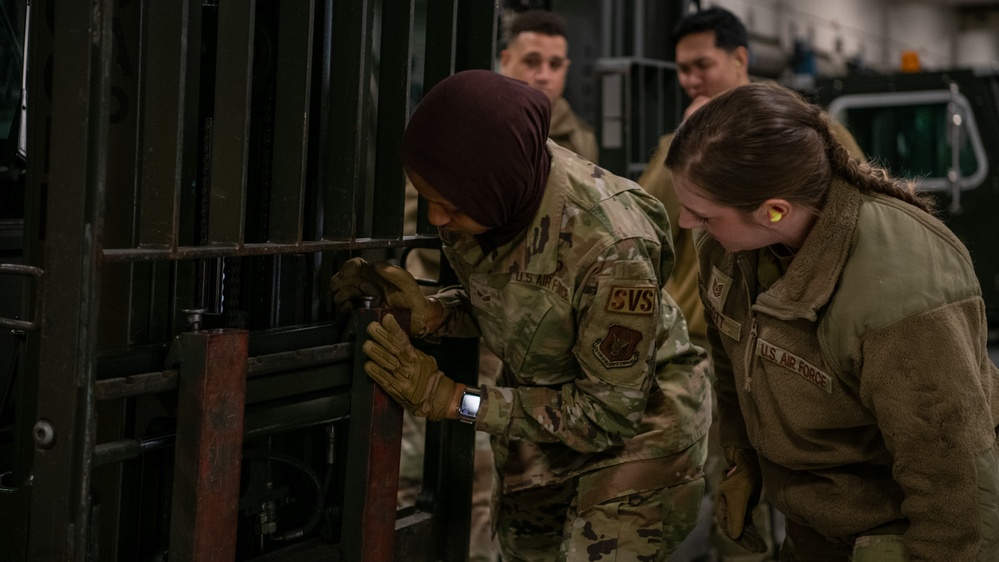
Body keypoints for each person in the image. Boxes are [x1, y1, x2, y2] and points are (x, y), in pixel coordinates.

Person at [332, 69, 712, 561]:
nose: (436, 220)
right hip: (544, 419)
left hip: (638, 434)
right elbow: (520, 307)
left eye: (448, 206)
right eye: (426, 200)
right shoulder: (491, 199)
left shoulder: (610, 247)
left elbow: (609, 416)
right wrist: (432, 312)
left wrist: (453, 400)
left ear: (499, 188)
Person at [664, 81, 999, 562]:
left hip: (898, 536)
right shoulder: (730, 249)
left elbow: (954, 476)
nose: (685, 224)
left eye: (703, 214)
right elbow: (731, 362)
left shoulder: (900, 288)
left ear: (774, 210)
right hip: (812, 528)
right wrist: (743, 462)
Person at [639, 8, 866, 561]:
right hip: (710, 348)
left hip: (800, 349)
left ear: (740, 60)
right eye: (682, 70)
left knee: (812, 495)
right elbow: (646, 230)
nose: (691, 80)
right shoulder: (681, 146)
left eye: (702, 65)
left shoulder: (807, 136)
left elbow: (854, 225)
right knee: (732, 495)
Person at [499, 9, 598, 164]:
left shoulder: (584, 140)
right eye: (531, 61)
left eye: (555, 64)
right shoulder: (484, 125)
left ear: (565, 68)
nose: (544, 76)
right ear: (505, 61)